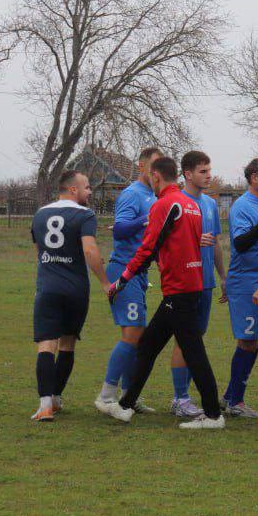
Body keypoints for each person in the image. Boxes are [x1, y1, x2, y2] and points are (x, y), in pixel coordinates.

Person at [98, 156, 225, 429]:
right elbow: (181, 244)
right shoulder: (191, 205)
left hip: (179, 289)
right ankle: (124, 405)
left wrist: (122, 279)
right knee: (148, 347)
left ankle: (214, 415)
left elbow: (147, 249)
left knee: (193, 351)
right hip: (187, 286)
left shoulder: (165, 204)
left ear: (156, 176)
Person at [29, 170, 111, 421]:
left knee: (46, 345)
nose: (90, 192)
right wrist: (105, 282)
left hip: (48, 288)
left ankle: (45, 405)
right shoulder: (85, 215)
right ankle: (55, 398)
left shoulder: (40, 214)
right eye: (87, 188)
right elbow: (89, 249)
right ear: (73, 190)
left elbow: (39, 251)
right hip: (75, 289)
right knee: (66, 344)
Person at [95, 146, 162, 413]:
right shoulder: (133, 194)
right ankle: (106, 396)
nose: (156, 172)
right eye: (153, 166)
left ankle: (127, 397)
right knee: (132, 333)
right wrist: (147, 219)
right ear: (142, 166)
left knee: (137, 334)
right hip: (124, 270)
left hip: (140, 274)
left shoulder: (154, 196)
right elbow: (120, 230)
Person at [165, 150, 226, 419]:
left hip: (207, 283)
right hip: (183, 284)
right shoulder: (175, 203)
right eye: (203, 171)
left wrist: (223, 277)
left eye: (209, 170)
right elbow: (163, 244)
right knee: (184, 340)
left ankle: (184, 397)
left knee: (196, 340)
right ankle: (180, 398)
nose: (208, 175)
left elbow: (215, 246)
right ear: (187, 174)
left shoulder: (211, 205)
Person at [221, 157, 258, 418]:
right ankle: (236, 401)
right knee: (247, 341)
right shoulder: (242, 207)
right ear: (254, 178)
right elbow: (241, 244)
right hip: (246, 283)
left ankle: (230, 395)